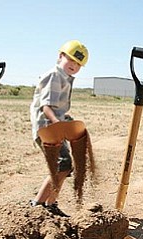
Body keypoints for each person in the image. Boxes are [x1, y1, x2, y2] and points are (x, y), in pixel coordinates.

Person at [29, 40, 89, 217]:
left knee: (65, 166)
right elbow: (46, 107)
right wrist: (58, 122)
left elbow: (58, 109)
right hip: (47, 128)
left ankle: (50, 205)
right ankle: (38, 205)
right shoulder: (54, 76)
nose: (74, 65)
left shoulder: (65, 78)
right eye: (70, 59)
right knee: (62, 165)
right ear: (60, 55)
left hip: (54, 127)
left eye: (79, 64)